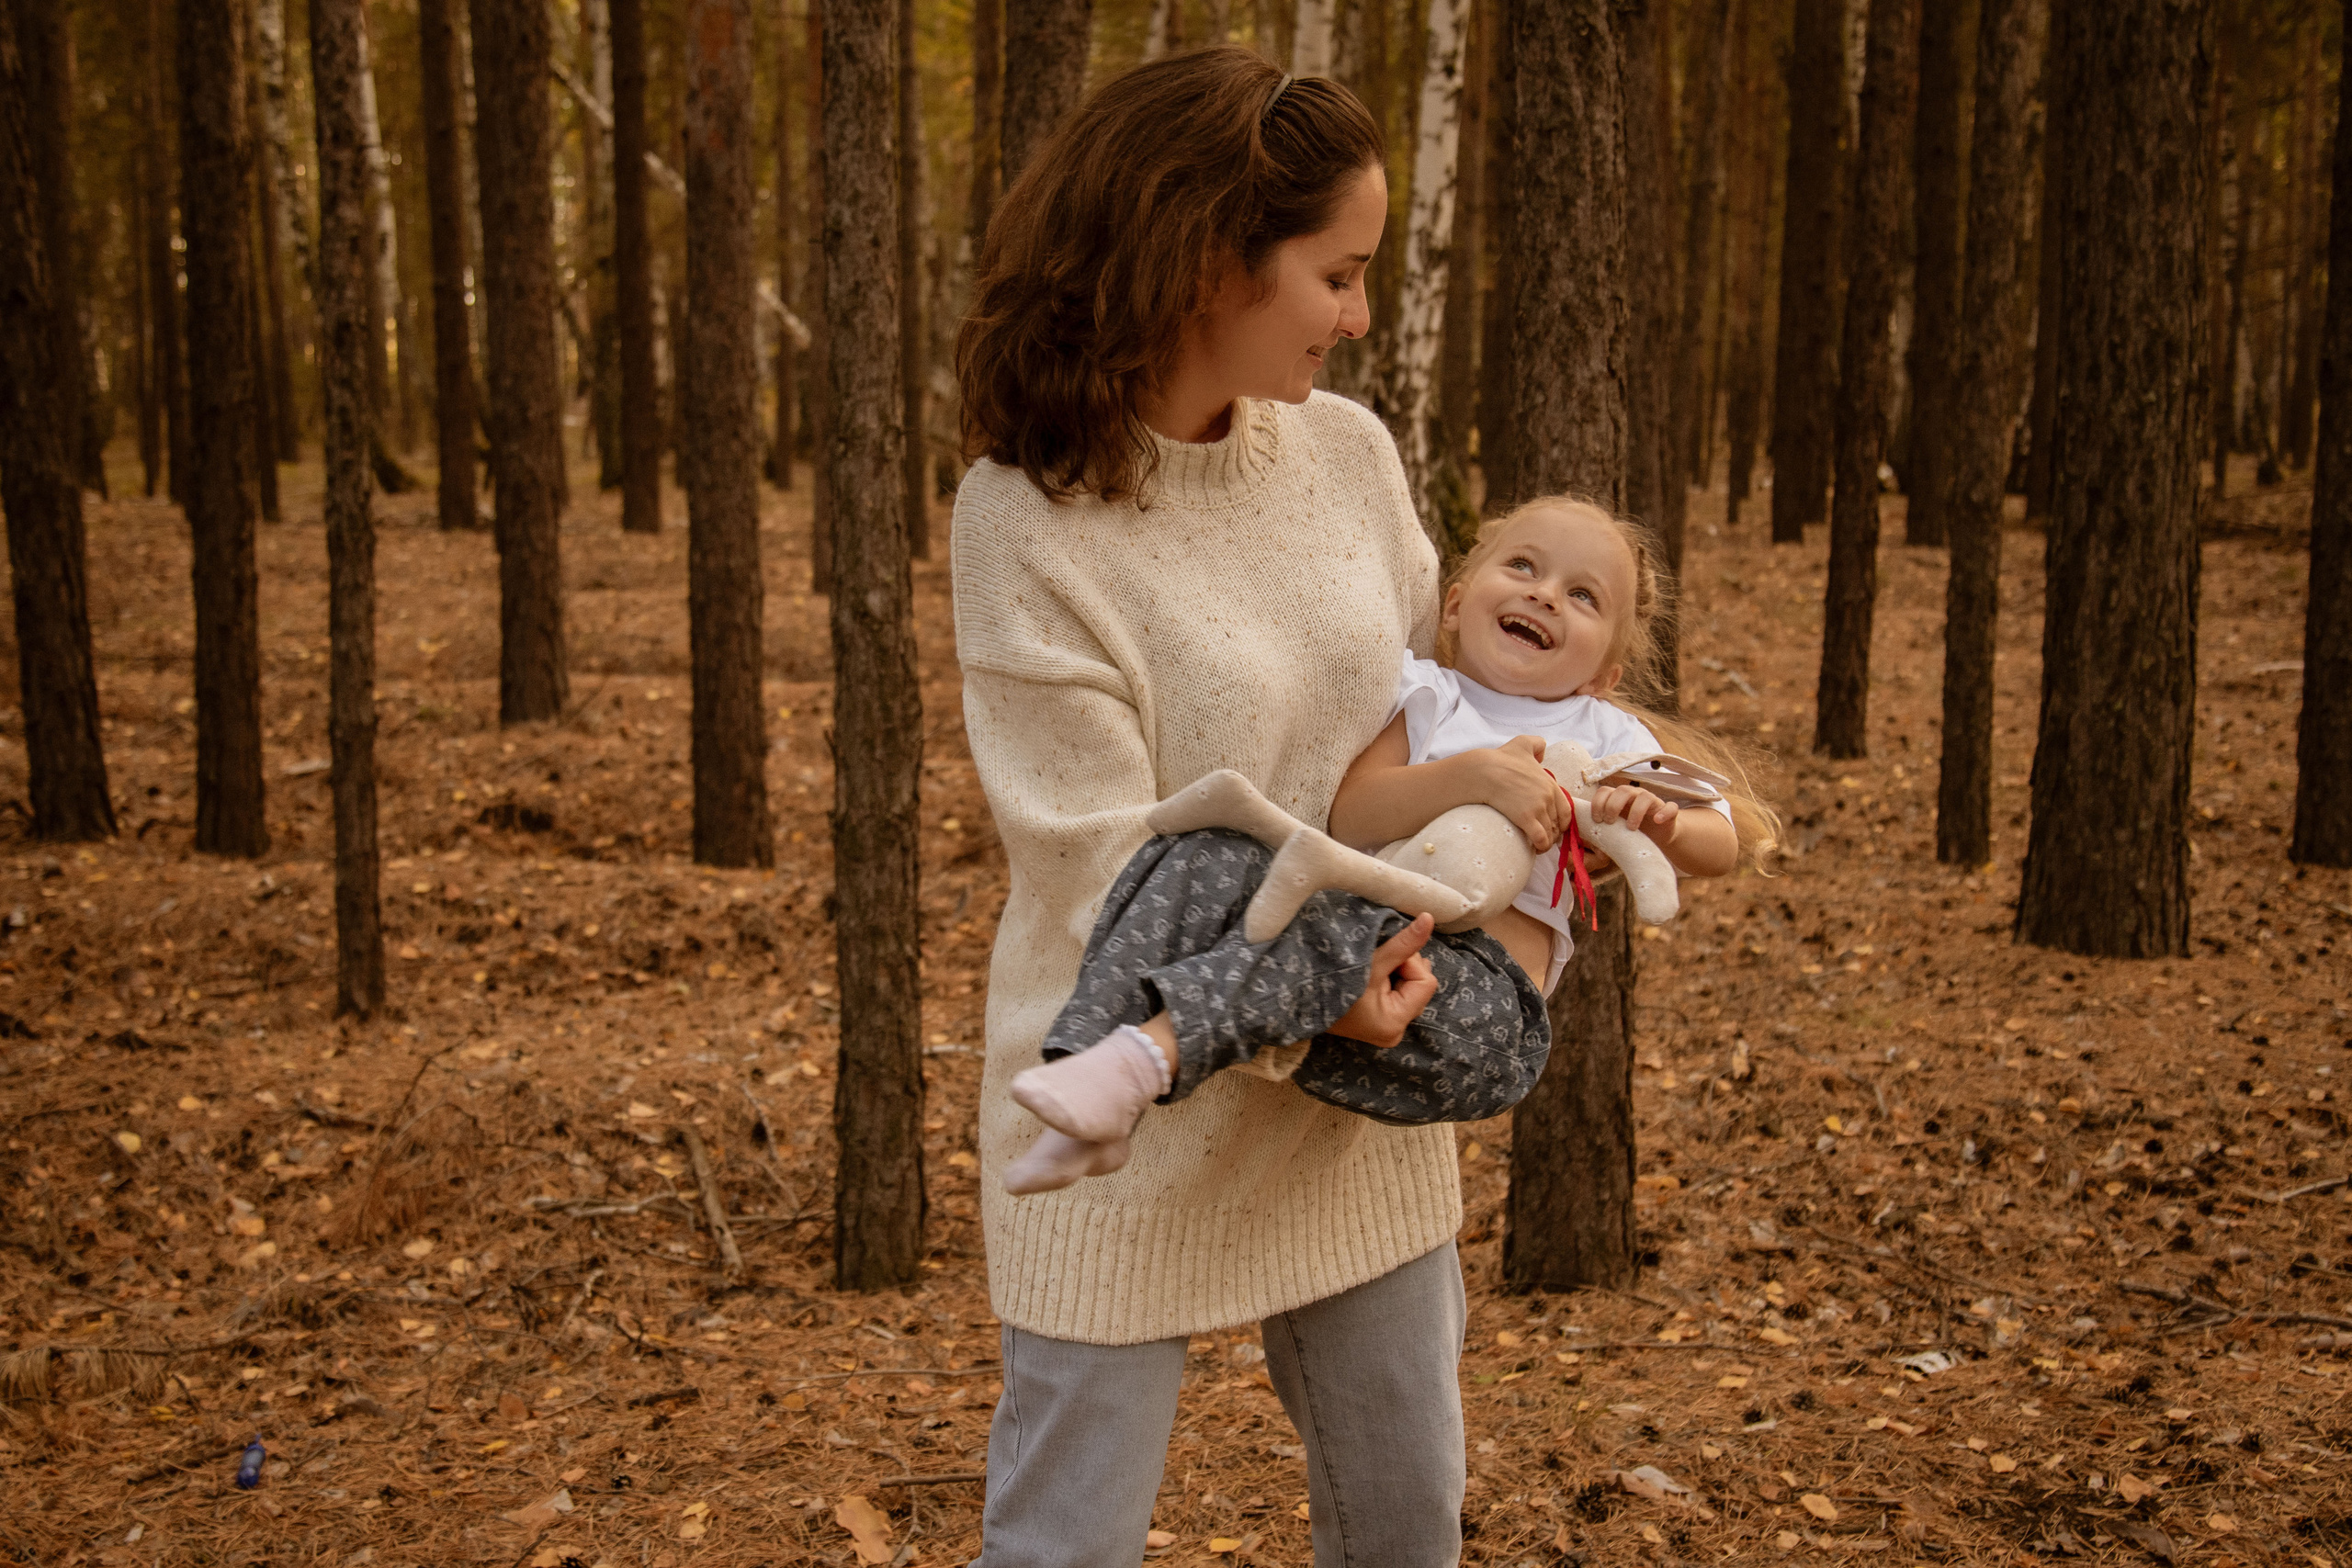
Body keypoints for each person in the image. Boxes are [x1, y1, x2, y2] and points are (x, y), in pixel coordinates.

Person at [954, 45, 1479, 1566]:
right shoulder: (1024, 514)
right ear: (1205, 262)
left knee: (1407, 1529)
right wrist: (1329, 994)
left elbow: (1419, 716)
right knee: (1065, 1543)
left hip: (1357, 1103)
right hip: (1124, 1089)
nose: (1361, 313)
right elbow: (1102, 869)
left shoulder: (1350, 454)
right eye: (1336, 272)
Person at [998, 496, 1780, 1195]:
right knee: (1197, 855)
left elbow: (1723, 840)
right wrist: (1478, 777)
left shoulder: (1604, 733)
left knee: (1322, 939)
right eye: (1523, 567)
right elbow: (1357, 814)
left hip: (1478, 1005)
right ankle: (1084, 1080)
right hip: (1368, 958)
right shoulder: (1426, 698)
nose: (1545, 594)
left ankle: (1146, 1057)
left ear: (1606, 673)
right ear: (1456, 603)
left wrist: (1664, 822)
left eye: (1582, 595)